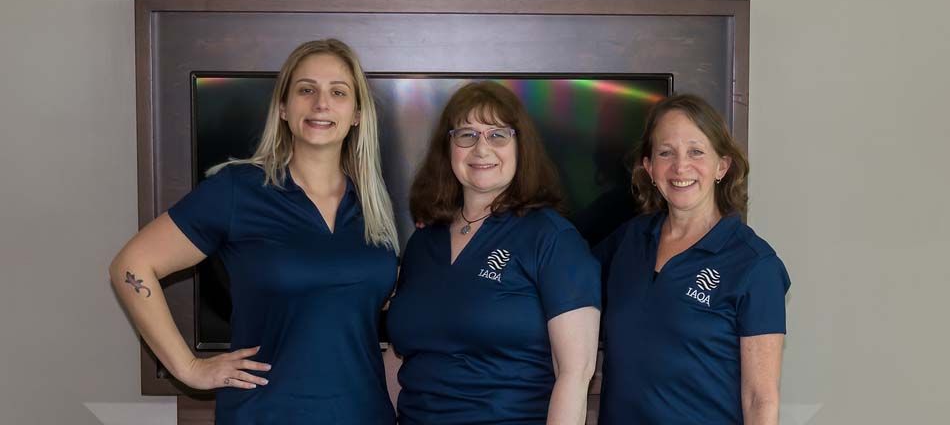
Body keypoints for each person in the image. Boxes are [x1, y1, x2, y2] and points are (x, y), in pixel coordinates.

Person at [109, 39, 399, 424]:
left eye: (338, 92)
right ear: (283, 107)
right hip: (264, 414)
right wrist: (189, 368)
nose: (321, 104)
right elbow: (132, 266)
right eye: (306, 89)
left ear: (357, 113)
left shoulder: (374, 205)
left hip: (363, 413)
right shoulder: (237, 190)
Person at [386, 81, 602, 425]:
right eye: (466, 135)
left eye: (498, 135)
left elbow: (575, 373)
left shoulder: (552, 238)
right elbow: (408, 359)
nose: (481, 149)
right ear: (449, 148)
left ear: (521, 147)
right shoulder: (423, 243)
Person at [594, 94, 790, 424]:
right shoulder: (627, 241)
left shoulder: (754, 265)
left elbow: (760, 399)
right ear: (649, 167)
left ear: (722, 166)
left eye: (696, 152)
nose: (680, 167)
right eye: (665, 153)